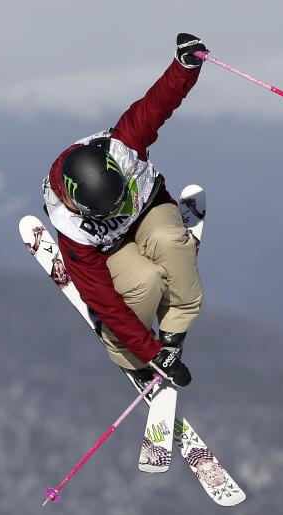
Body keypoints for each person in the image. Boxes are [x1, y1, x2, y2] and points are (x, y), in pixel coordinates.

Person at [41, 33, 208, 387]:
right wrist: (148, 352)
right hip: (109, 248)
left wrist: (185, 66)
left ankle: (176, 320)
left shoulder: (123, 145)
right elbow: (103, 299)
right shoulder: (72, 230)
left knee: (170, 241)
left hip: (148, 210)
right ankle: (126, 354)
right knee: (144, 283)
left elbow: (157, 103)